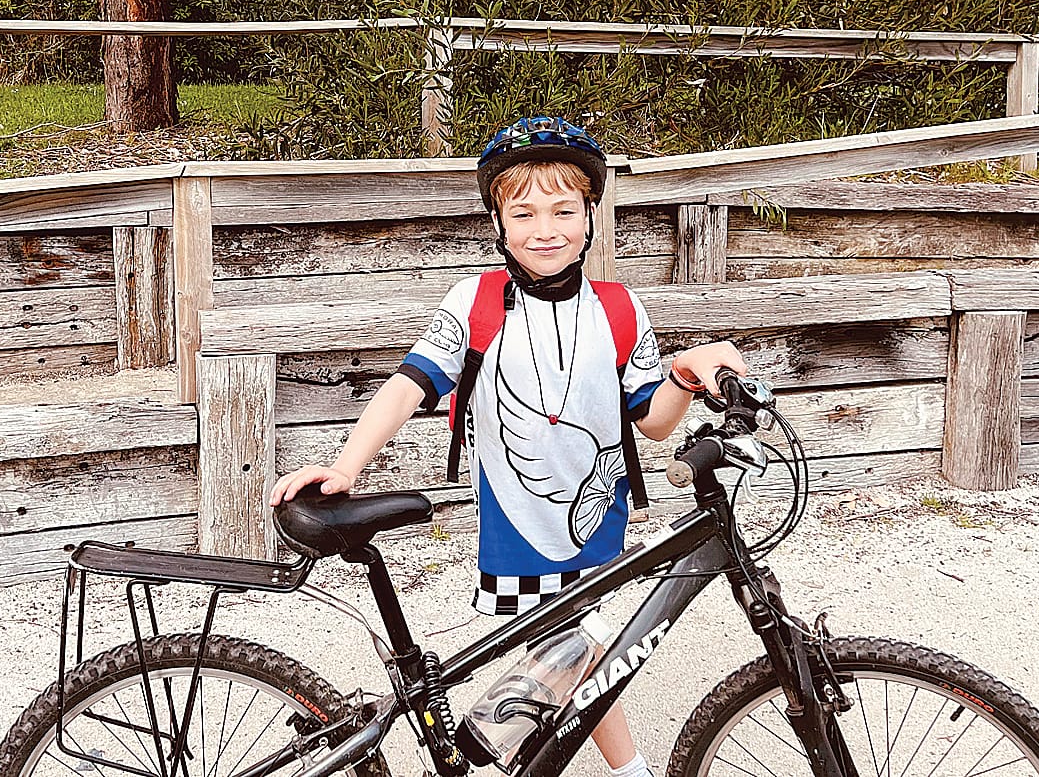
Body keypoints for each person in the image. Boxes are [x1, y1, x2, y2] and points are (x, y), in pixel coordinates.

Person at [269, 116, 747, 777]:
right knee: (567, 664)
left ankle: (582, 764)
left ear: (588, 216)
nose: (543, 229)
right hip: (519, 527)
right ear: (498, 222)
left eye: (562, 210)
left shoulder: (618, 308)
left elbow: (653, 423)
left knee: (580, 662)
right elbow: (410, 384)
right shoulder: (475, 302)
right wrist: (347, 465)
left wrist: (683, 373)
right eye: (522, 213)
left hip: (597, 522)